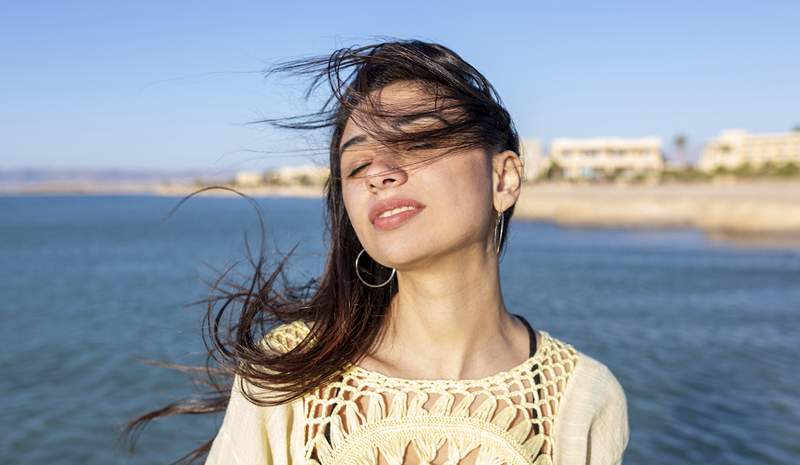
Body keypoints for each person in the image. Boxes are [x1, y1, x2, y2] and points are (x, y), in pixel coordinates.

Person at [124, 39, 629, 465]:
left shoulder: (583, 395)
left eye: (416, 141)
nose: (381, 171)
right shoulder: (287, 372)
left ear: (504, 178)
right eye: (357, 165)